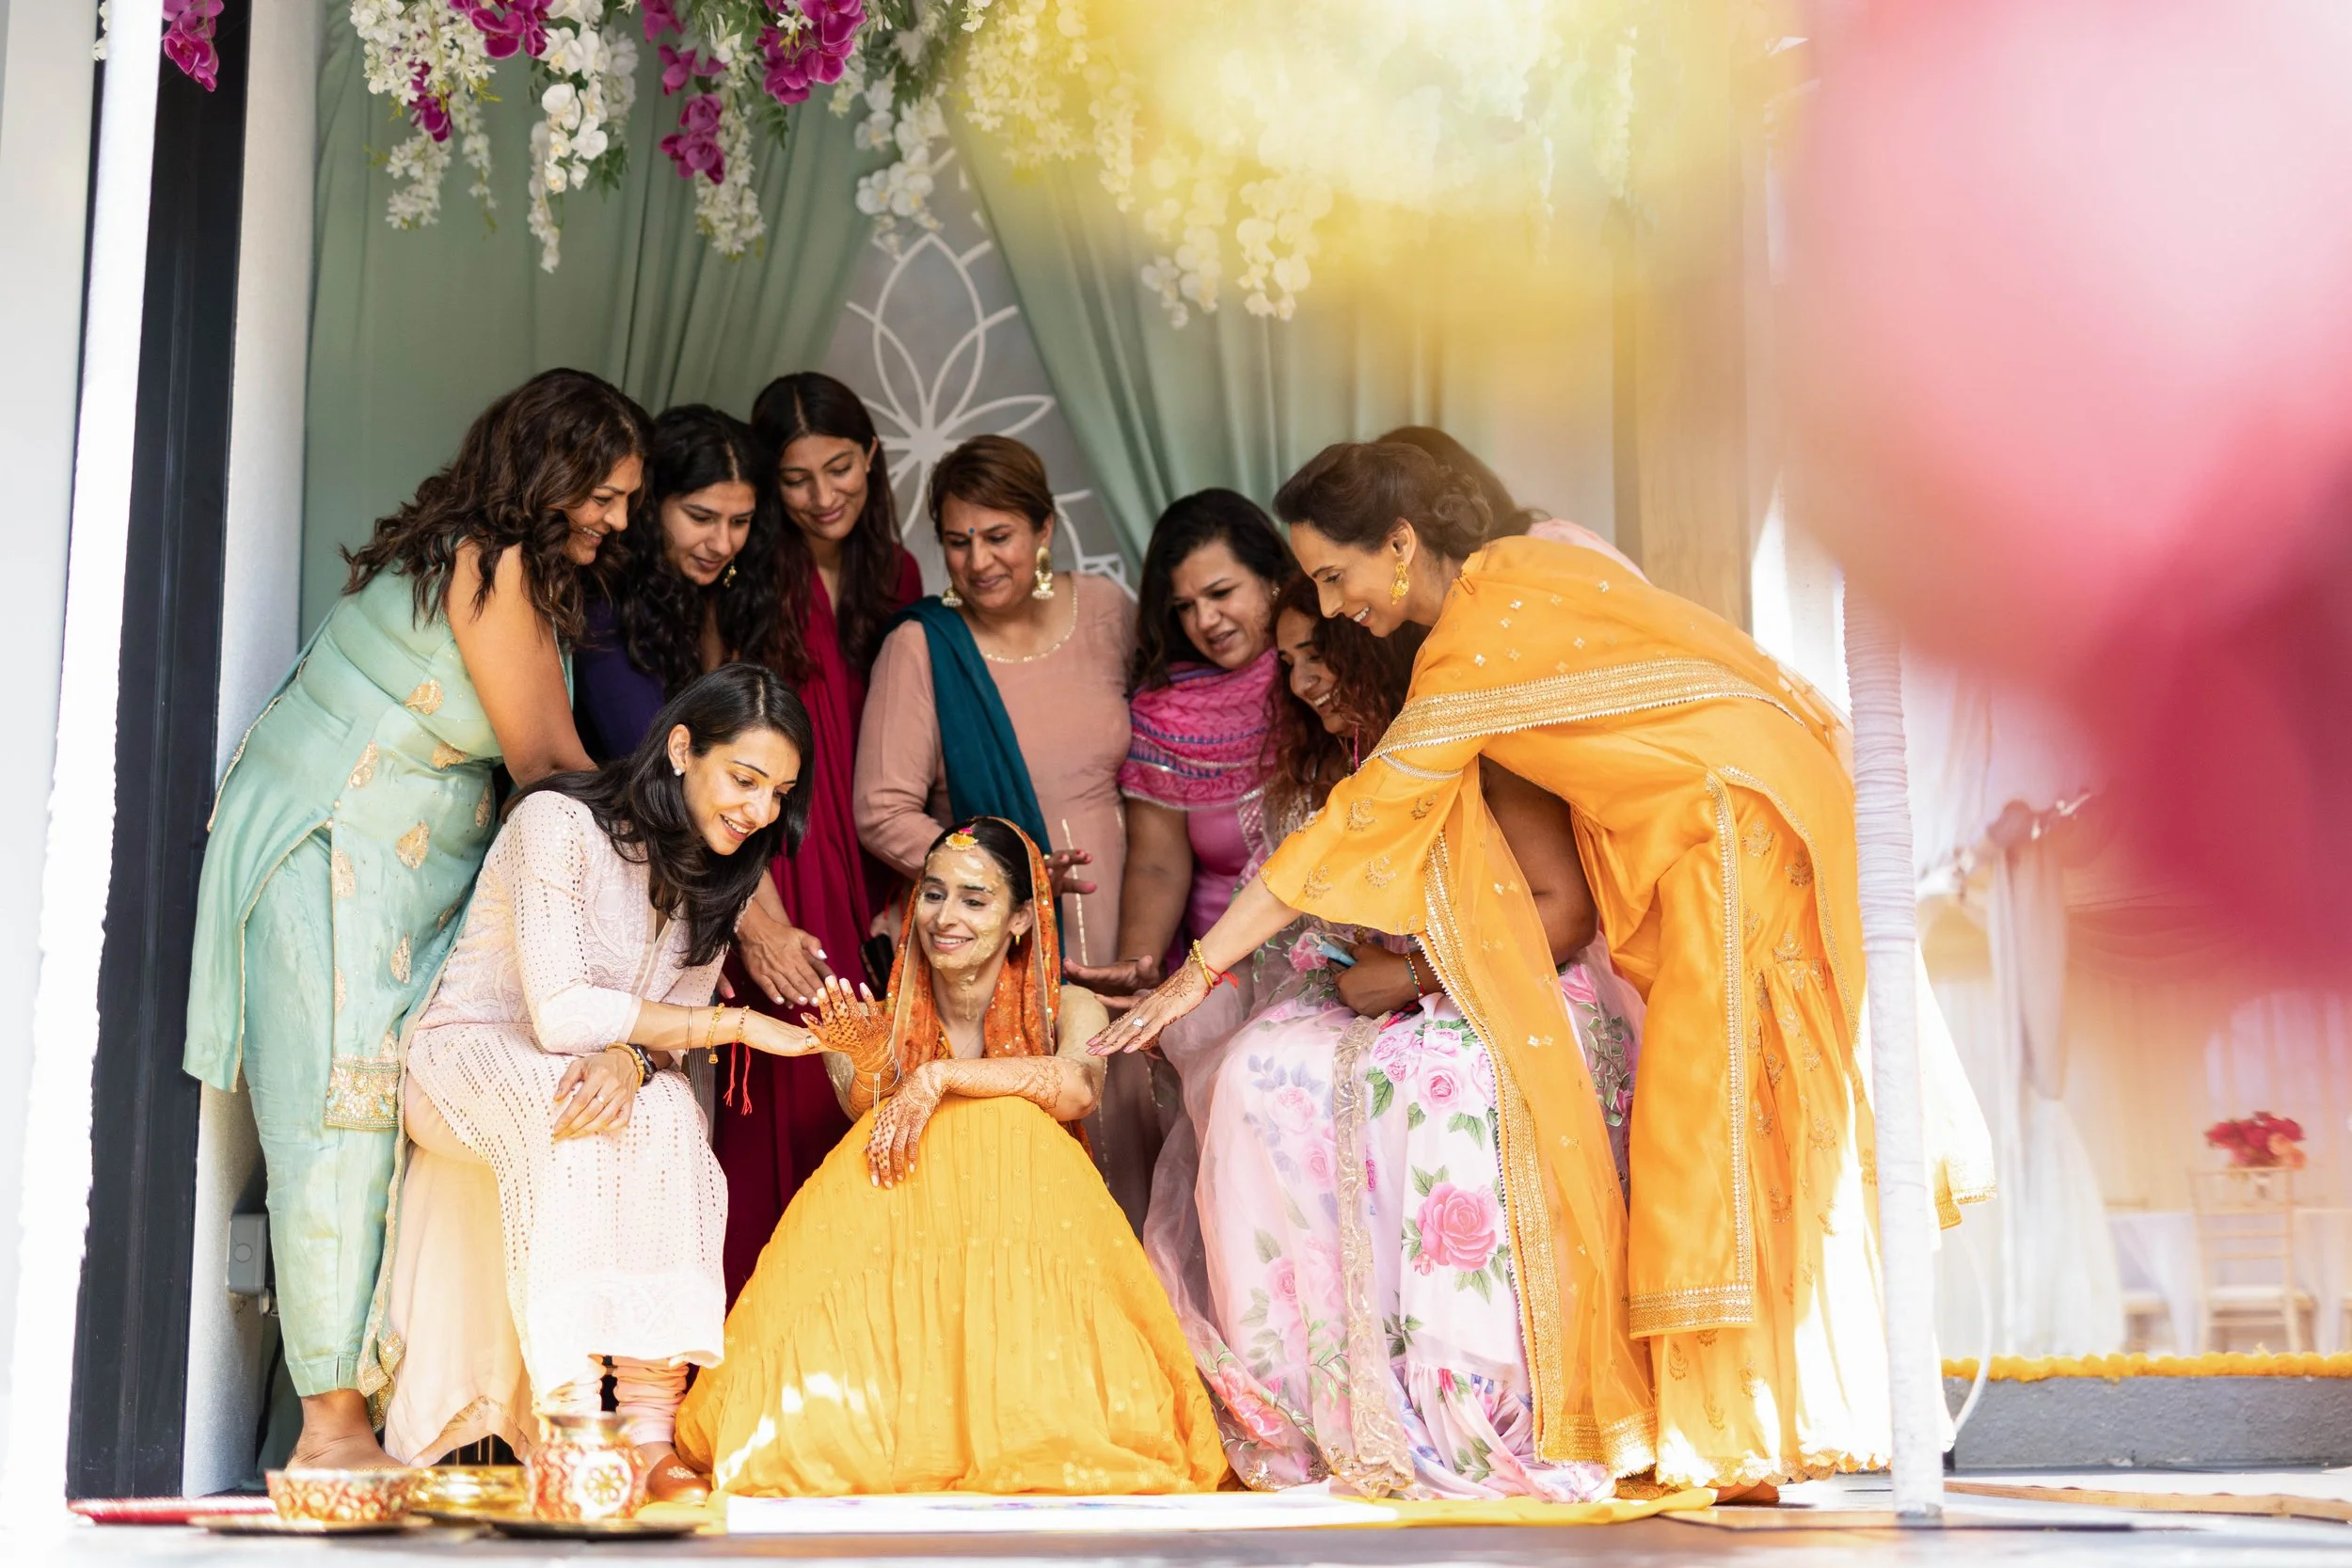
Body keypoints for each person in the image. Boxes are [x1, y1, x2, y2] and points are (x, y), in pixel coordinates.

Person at [1104, 439, 1906, 1494]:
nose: (1333, 606)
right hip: (1737, 816)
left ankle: (1741, 1431)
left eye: (1337, 576)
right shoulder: (1521, 573)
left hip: (1731, 829)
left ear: (1399, 544)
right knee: (1726, 1130)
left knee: (1709, 1132)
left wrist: (1198, 965)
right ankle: (1746, 1426)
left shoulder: (1470, 646)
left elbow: (1352, 826)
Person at [184, 369, 649, 1469]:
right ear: (553, 469)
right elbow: (546, 764)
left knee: (375, 1123)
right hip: (329, 860)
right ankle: (332, 1432)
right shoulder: (497, 563)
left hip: (379, 875)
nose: (619, 520)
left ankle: (376, 1409)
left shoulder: (477, 549)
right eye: (607, 494)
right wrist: (675, 827)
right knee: (337, 1128)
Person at [1140, 574, 1647, 1497]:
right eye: (1286, 662)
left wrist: (1414, 975)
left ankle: (1473, 1391)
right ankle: (1317, 1397)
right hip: (1406, 978)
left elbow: (1561, 911)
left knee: (1441, 1077)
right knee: (1256, 1070)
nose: (1299, 682)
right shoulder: (1347, 763)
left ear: (1369, 650)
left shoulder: (1478, 739)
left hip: (1522, 983)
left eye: (1316, 655)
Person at [369, 665, 826, 1501]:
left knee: (673, 1125)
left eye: (779, 792)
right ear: (683, 748)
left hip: (591, 1060)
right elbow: (562, 1013)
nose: (760, 810)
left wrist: (635, 1059)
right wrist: (728, 1025)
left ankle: (652, 1435)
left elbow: (659, 1032)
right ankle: (575, 1431)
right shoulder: (560, 823)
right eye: (746, 779)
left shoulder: (723, 871)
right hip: (469, 1053)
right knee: (570, 1120)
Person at [674, 817, 1228, 1496]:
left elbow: (1078, 1087)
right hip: (905, 1237)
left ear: (1022, 918)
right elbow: (865, 1111)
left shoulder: (1068, 1004)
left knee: (1013, 1128)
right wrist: (870, 1056)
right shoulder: (883, 1009)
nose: (945, 916)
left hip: (1023, 1237)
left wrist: (942, 1077)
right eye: (933, 893)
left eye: (975, 898)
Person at [854, 435, 1164, 1229]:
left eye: (999, 537)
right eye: (957, 542)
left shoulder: (1106, 613)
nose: (979, 560)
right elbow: (882, 809)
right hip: (1005, 947)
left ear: (1044, 531)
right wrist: (1006, 876)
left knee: (1127, 1118)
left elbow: (1162, 764)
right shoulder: (923, 645)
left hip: (1124, 916)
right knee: (1030, 1166)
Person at [705, 372, 923, 1298]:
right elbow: (716, 748)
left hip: (870, 851)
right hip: (779, 848)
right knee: (781, 1074)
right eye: (795, 479)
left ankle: (852, 1337)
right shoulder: (746, 573)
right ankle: (754, 1336)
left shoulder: (897, 572)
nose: (823, 495)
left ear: (872, 457)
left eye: (840, 468)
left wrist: (906, 880)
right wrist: (755, 910)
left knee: (869, 1086)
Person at [1106, 491, 1294, 983]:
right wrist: (1136, 974)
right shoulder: (1163, 715)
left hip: (1338, 960)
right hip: (1219, 979)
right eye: (1186, 606)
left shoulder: (1324, 681)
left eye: (1220, 593)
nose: (1204, 621)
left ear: (1273, 579)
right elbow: (1157, 869)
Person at [571, 404, 782, 762]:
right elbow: (645, 753)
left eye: (740, 521)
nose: (723, 544)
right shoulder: (604, 601)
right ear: (651, 506)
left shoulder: (735, 596)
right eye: (701, 517)